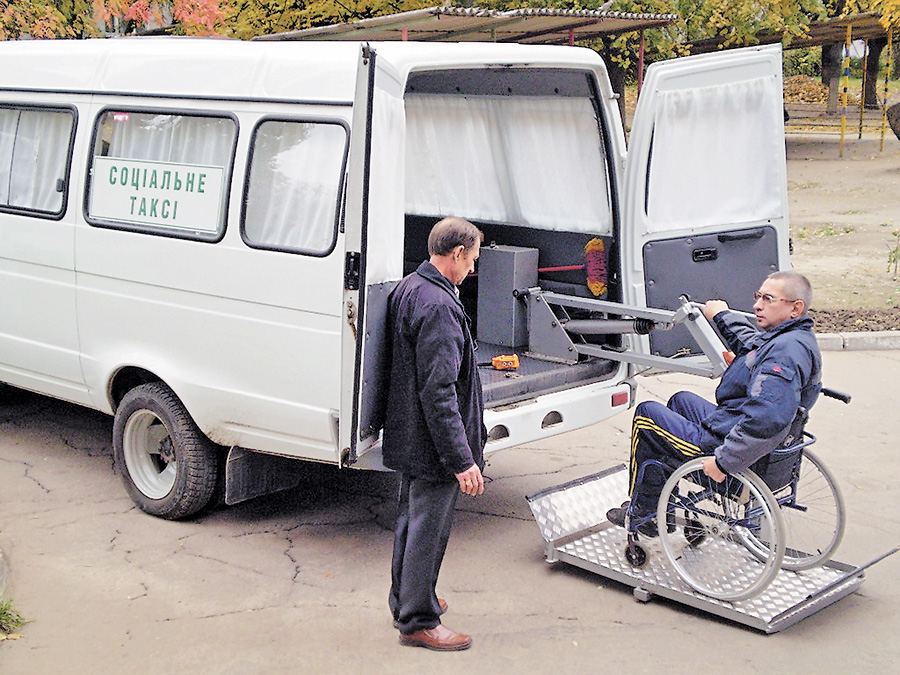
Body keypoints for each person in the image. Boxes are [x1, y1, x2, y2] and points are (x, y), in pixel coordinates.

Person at [607, 270, 822, 535]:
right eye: (758, 297)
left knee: (647, 416)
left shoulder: (784, 353)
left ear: (795, 308)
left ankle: (643, 514)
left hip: (731, 450)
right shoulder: (791, 338)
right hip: (739, 428)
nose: (757, 305)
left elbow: (768, 418)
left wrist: (724, 462)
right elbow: (750, 344)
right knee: (681, 401)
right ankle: (662, 500)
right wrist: (721, 315)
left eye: (768, 299)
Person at [383, 217, 486, 651]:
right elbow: (439, 390)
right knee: (428, 529)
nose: (474, 269)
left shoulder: (412, 286)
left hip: (411, 435)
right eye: (474, 258)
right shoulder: (439, 307)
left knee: (411, 521)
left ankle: (406, 600)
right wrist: (462, 459)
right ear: (458, 252)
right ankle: (418, 622)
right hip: (433, 445)